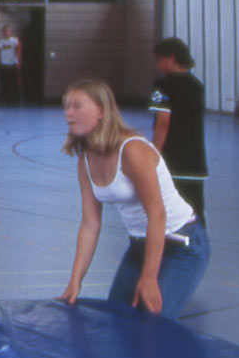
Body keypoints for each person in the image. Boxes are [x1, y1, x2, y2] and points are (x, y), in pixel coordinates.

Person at [60, 79, 207, 317]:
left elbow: (157, 215)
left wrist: (149, 277)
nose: (68, 113)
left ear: (101, 111)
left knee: (153, 323)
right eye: (66, 106)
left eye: (76, 106)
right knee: (116, 318)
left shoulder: (132, 150)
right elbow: (90, 223)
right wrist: (76, 279)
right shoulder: (85, 159)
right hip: (140, 245)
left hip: (180, 244)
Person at [150, 37, 208, 224]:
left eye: (160, 60)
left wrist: (153, 155)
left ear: (171, 58)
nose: (159, 65)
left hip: (171, 161)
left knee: (168, 212)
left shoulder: (163, 85)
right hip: (195, 163)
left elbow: (162, 123)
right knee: (196, 211)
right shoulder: (197, 85)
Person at [0, 24, 22, 105]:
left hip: (13, 64)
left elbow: (18, 52)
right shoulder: (1, 42)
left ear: (10, 32)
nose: (6, 33)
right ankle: (5, 99)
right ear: (3, 33)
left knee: (15, 82)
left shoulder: (15, 40)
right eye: (5, 31)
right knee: (4, 83)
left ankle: (17, 99)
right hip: (4, 64)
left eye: (8, 31)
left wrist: (19, 62)